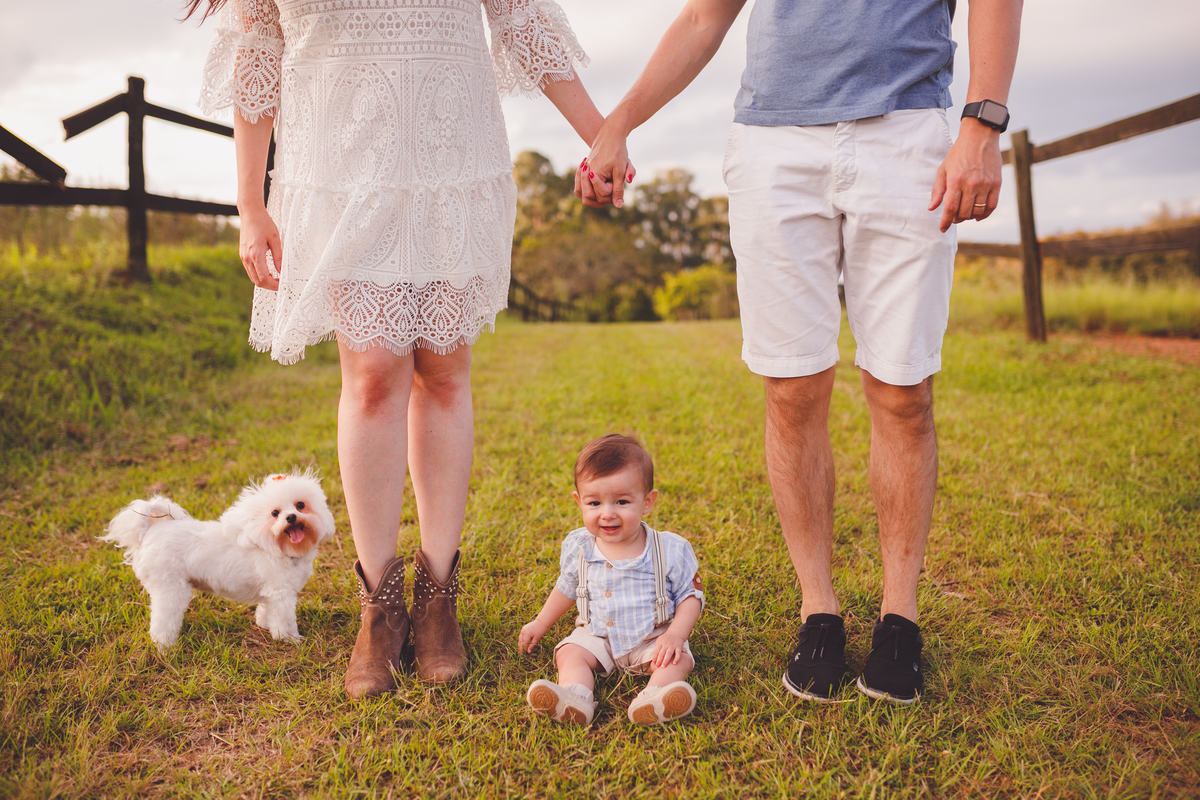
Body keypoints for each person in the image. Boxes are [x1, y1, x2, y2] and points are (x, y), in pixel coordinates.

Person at [580, 0, 1022, 704]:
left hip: (906, 135)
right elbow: (703, 18)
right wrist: (617, 124)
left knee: (904, 391)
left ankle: (899, 619)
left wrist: (982, 123)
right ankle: (820, 612)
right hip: (773, 145)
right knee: (792, 387)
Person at [190, 0, 629, 697]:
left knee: (445, 373)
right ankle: (379, 607)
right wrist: (250, 204)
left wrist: (604, 138)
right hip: (342, 165)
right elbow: (259, 53)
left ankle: (437, 598)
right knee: (372, 376)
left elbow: (521, 20)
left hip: (449, 156)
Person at [518, 434, 705, 725]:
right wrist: (541, 622)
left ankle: (656, 695)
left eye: (621, 501)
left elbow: (690, 598)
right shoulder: (579, 546)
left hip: (652, 637)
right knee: (569, 652)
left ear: (647, 502)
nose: (607, 514)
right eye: (594, 503)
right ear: (579, 502)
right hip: (597, 636)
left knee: (677, 659)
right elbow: (567, 588)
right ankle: (576, 696)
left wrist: (675, 635)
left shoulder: (669, 549)